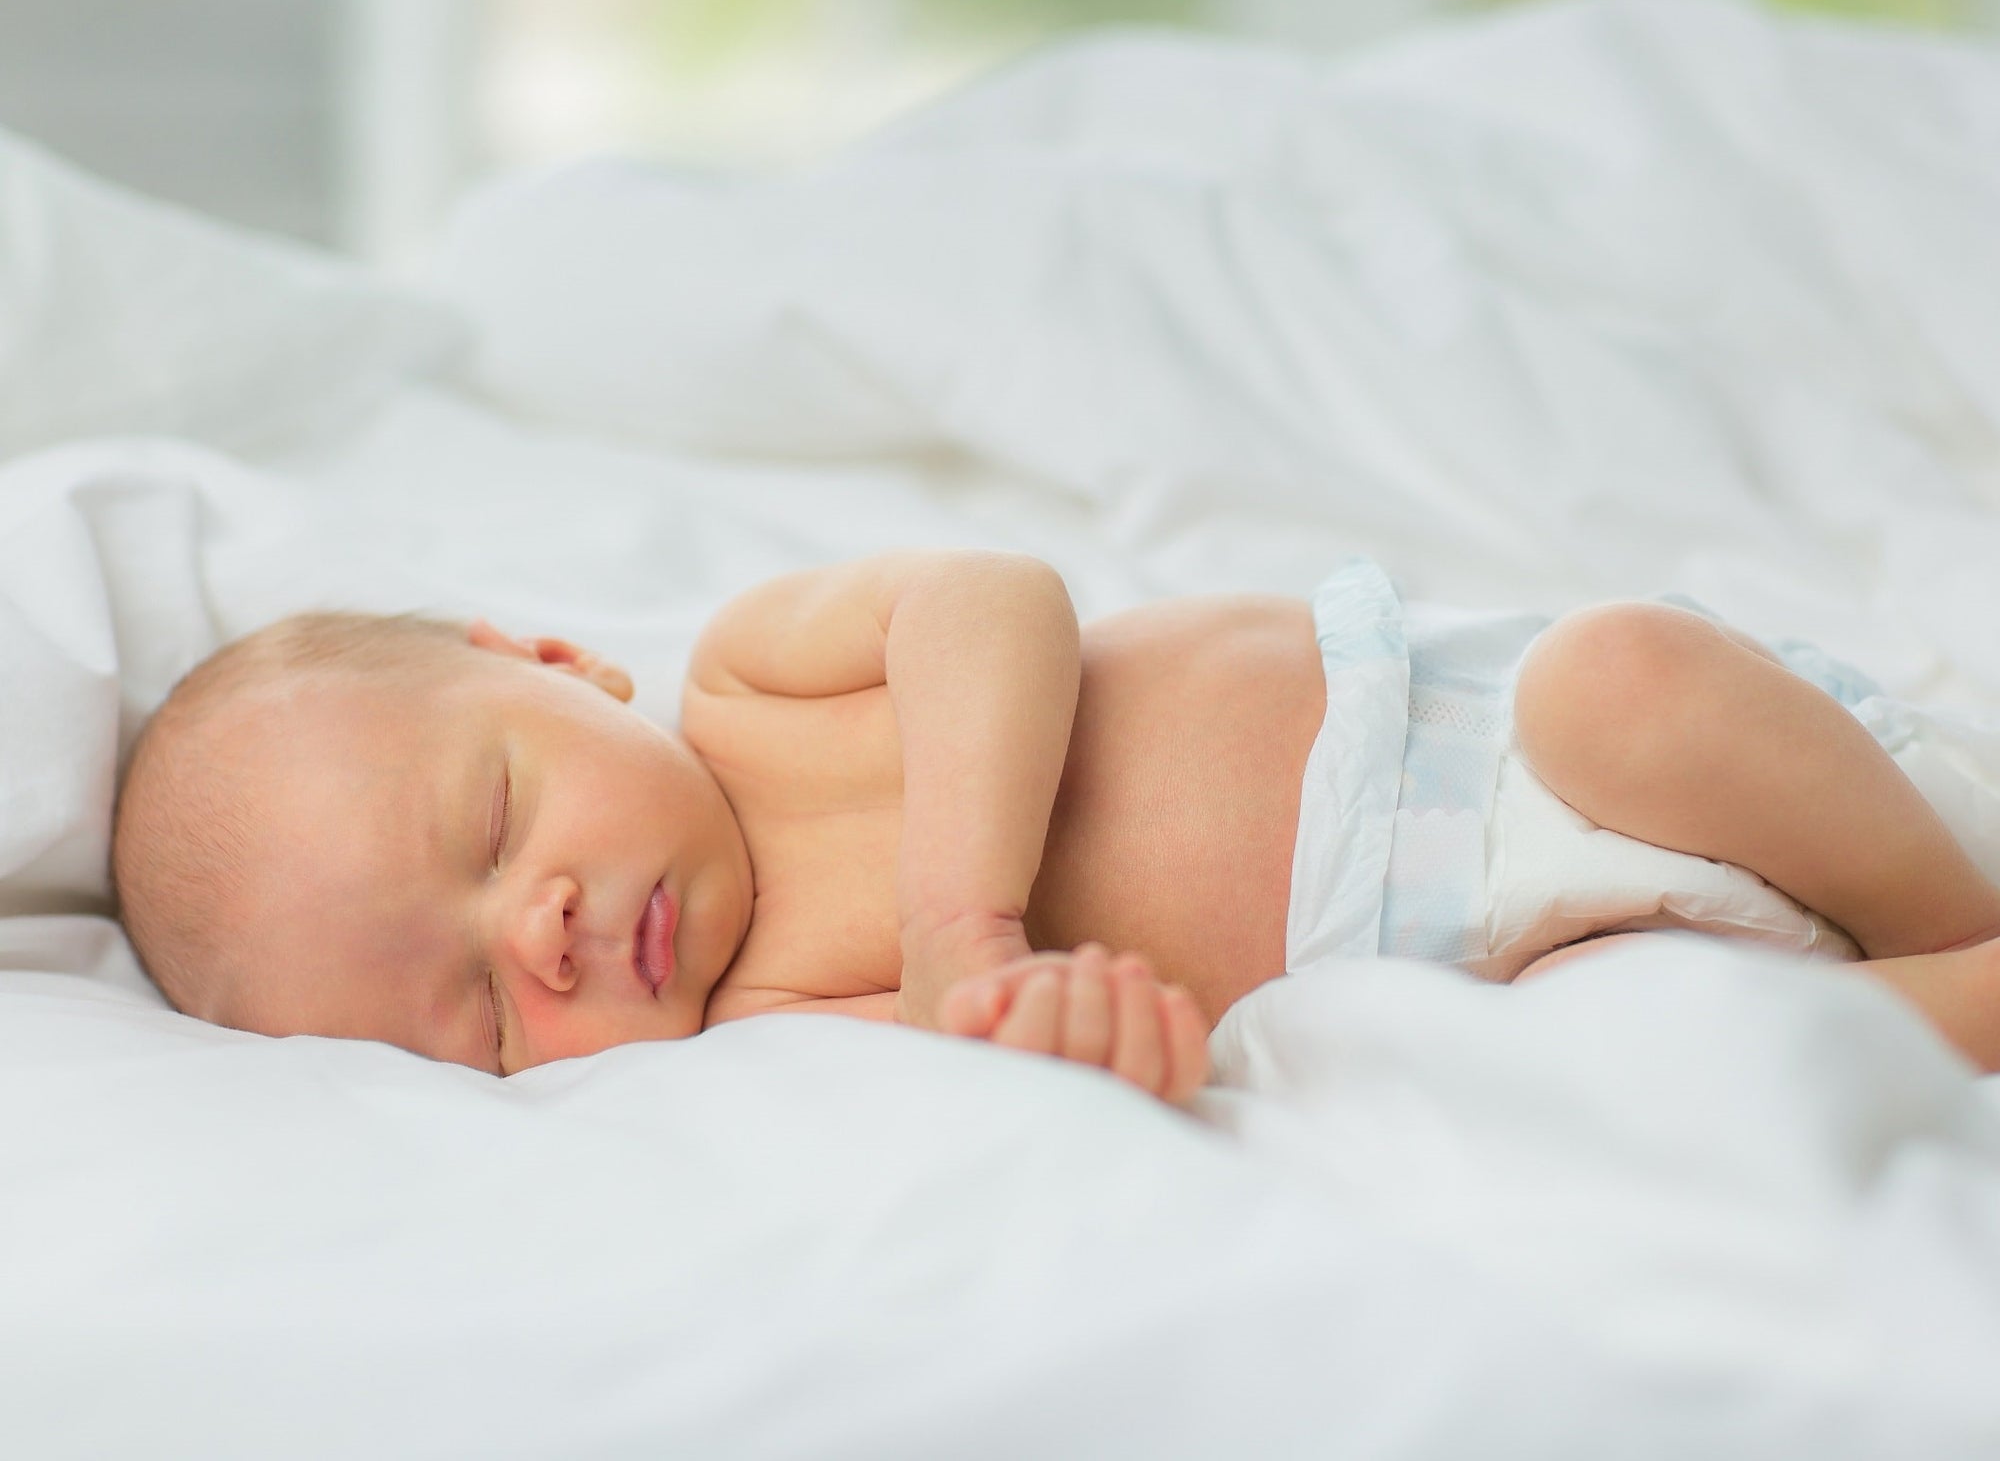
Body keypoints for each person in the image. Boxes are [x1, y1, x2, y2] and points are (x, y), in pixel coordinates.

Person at [109, 550, 2000, 1105]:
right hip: (1504, 955)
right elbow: (1024, 1079)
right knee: (1659, 1053)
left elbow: (993, 598)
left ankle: (1954, 911)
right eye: (483, 1016)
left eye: (494, 817)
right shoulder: (769, 1035)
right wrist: (1057, 1035)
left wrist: (963, 910)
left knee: (1632, 673)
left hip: (1524, 745)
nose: (537, 931)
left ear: (550, 661)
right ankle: (1948, 1004)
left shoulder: (757, 683)